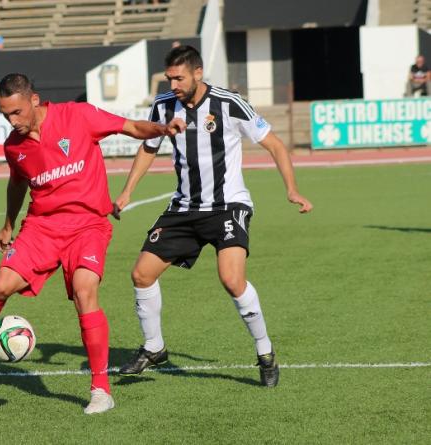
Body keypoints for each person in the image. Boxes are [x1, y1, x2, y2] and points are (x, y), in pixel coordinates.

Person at [0, 73, 186, 414]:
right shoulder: (14, 147)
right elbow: (17, 184)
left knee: (84, 290)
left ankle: (100, 390)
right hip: (42, 227)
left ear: (34, 100)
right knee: (1, 285)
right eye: (5, 115)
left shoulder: (77, 116)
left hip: (88, 225)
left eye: (16, 112)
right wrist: (7, 224)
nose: (12, 121)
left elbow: (132, 127)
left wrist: (163, 130)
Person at [113, 45, 313, 387]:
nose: (173, 84)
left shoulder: (229, 103)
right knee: (141, 274)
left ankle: (265, 352)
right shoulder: (163, 106)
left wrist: (291, 190)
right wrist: (128, 191)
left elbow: (276, 145)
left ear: (197, 73)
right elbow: (148, 148)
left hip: (228, 205)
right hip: (184, 208)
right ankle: (154, 347)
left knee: (231, 279)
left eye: (179, 77)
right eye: (169, 78)